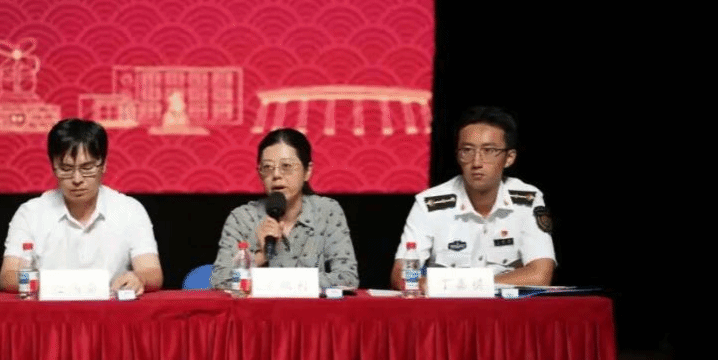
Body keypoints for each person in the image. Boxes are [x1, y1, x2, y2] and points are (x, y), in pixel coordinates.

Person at [391, 106, 556, 288]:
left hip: (505, 304)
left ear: (509, 158)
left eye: (489, 150)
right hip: (447, 305)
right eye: (467, 150)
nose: (477, 162)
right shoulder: (429, 203)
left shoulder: (527, 200)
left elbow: (540, 275)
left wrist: (465, 286)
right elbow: (402, 275)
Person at [0, 118, 163, 294]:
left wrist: (139, 278)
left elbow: (152, 271)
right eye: (66, 169)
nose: (77, 179)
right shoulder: (30, 213)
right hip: (49, 307)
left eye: (87, 168)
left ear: (104, 164)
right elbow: (7, 276)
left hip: (111, 308)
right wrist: (48, 285)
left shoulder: (130, 210)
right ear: (53, 167)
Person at [210, 128, 359, 290]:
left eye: (286, 166)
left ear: (307, 171)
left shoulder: (327, 211)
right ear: (260, 173)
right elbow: (220, 280)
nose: (276, 175)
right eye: (268, 167)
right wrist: (261, 255)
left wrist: (276, 283)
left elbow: (347, 279)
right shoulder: (242, 218)